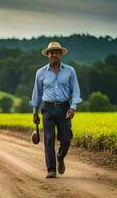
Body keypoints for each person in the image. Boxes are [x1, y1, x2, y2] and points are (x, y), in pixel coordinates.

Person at [29, 41, 82, 178]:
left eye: (56, 52)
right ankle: (51, 169)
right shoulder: (40, 73)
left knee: (66, 139)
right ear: (48, 55)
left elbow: (75, 91)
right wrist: (35, 112)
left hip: (64, 108)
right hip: (47, 108)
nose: (54, 55)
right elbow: (37, 94)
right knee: (49, 138)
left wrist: (72, 107)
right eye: (51, 52)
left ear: (60, 54)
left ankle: (60, 156)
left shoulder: (70, 71)